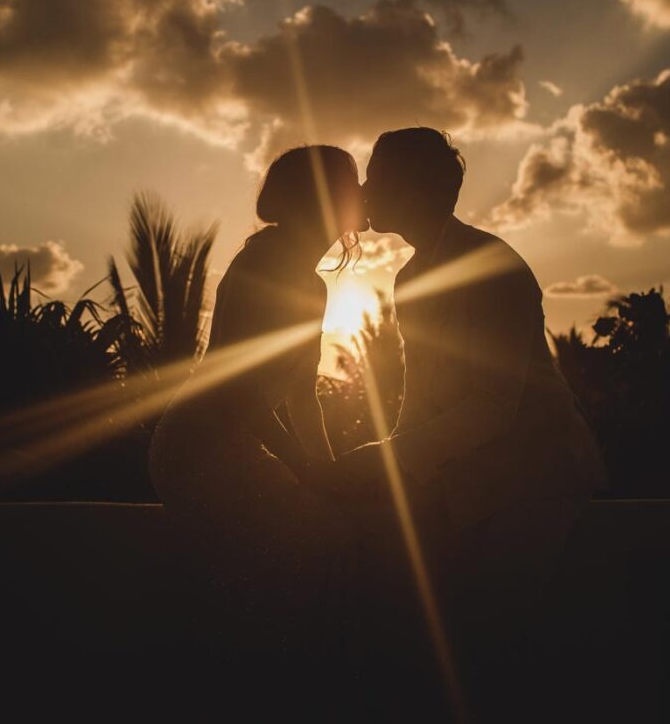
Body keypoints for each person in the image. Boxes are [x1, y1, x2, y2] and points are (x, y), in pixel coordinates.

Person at [318, 127, 607, 710]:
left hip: (536, 480)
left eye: (378, 177)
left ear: (416, 187)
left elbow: (491, 405)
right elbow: (422, 397)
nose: (365, 189)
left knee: (486, 655)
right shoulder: (410, 275)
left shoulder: (490, 266)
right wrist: (387, 462)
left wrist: (386, 460)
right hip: (470, 482)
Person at [148, 144, 368, 659]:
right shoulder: (269, 265)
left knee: (325, 536)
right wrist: (308, 470)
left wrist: (327, 470)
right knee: (317, 548)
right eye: (352, 182)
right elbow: (237, 395)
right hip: (201, 451)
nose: (362, 192)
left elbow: (302, 396)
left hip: (225, 445)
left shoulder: (298, 273)